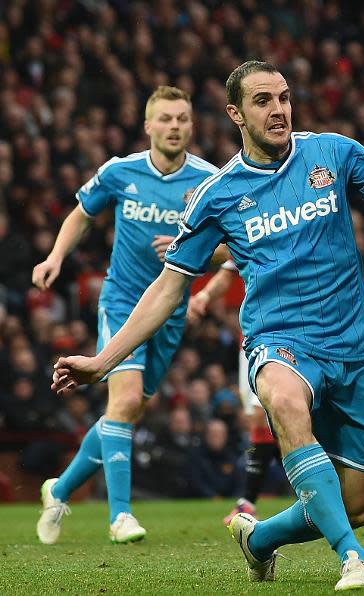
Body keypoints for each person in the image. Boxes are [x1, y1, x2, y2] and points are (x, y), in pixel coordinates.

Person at [51, 60, 364, 591]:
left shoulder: (332, 152)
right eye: (263, 101)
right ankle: (352, 558)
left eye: (284, 98)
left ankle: (260, 539)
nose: (279, 110)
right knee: (285, 400)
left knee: (356, 504)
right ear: (236, 113)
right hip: (278, 341)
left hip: (353, 345)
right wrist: (102, 359)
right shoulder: (218, 194)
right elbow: (167, 286)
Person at [32, 86, 218, 544]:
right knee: (127, 399)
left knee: (127, 407)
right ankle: (120, 516)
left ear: (192, 126)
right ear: (149, 126)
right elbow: (81, 214)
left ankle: (59, 489)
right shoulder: (121, 171)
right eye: (166, 119)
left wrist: (195, 253)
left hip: (169, 312)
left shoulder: (211, 181)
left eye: (182, 119)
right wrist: (55, 255)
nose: (174, 126)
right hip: (122, 301)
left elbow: (231, 247)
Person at [185, 259, 280, 526]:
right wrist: (203, 295)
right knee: (259, 422)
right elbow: (227, 266)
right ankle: (248, 503)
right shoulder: (250, 230)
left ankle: (317, 492)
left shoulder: (289, 227)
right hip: (250, 340)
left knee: (283, 418)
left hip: (285, 335)